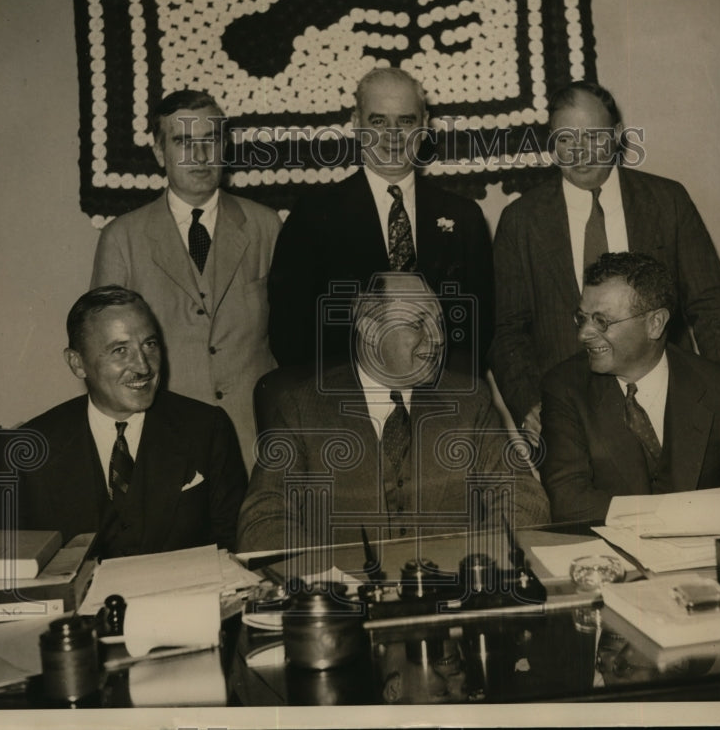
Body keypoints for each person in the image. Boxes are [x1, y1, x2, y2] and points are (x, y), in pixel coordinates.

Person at [489, 81, 720, 445]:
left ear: (618, 136)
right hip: (568, 417)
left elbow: (712, 305)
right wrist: (529, 403)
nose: (579, 153)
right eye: (565, 139)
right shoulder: (521, 220)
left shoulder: (667, 201)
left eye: (593, 137)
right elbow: (506, 330)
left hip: (671, 406)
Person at [237, 273, 549, 552]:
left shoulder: (470, 401)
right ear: (370, 329)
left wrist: (478, 563)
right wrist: (326, 579)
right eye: (418, 324)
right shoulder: (301, 408)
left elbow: (523, 497)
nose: (439, 338)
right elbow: (262, 518)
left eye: (439, 323)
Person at [91, 89, 281, 470]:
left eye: (210, 140)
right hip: (165, 444)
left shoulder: (266, 226)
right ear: (160, 152)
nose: (199, 155)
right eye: (183, 142)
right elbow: (106, 359)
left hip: (256, 445)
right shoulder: (122, 239)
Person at [267, 67, 494, 375]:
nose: (393, 135)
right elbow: (290, 336)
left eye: (406, 121)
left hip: (443, 405)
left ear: (424, 125)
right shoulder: (313, 218)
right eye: (378, 121)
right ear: (356, 124)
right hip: (345, 408)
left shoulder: (464, 217)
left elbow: (481, 330)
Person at [539, 252, 720, 525]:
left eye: (601, 321)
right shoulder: (564, 388)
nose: (584, 334)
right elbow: (569, 503)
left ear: (655, 323)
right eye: (582, 318)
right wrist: (685, 513)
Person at [18, 286, 247, 557]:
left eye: (149, 345)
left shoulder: (207, 429)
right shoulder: (32, 446)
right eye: (120, 350)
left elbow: (234, 544)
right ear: (77, 363)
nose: (143, 366)